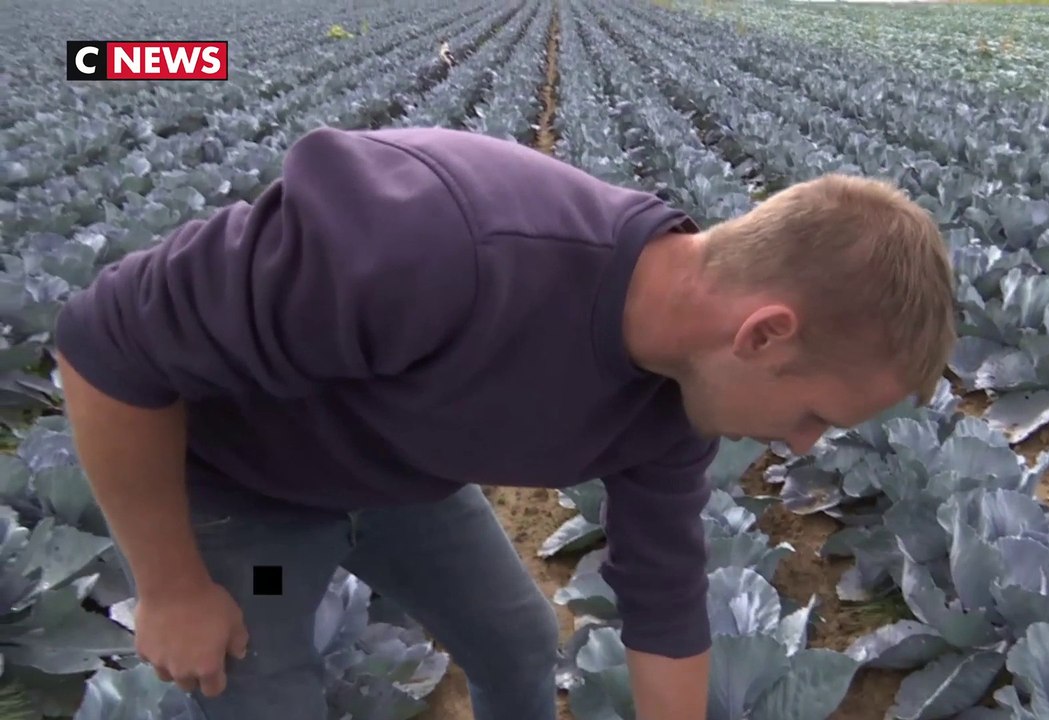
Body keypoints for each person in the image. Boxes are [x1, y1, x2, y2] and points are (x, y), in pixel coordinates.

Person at [54, 126, 955, 720]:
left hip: (403, 484)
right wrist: (169, 585)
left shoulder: (678, 400)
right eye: (812, 415)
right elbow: (102, 344)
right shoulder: (439, 243)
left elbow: (665, 595)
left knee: (520, 643)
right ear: (763, 334)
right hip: (249, 496)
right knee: (263, 691)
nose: (802, 445)